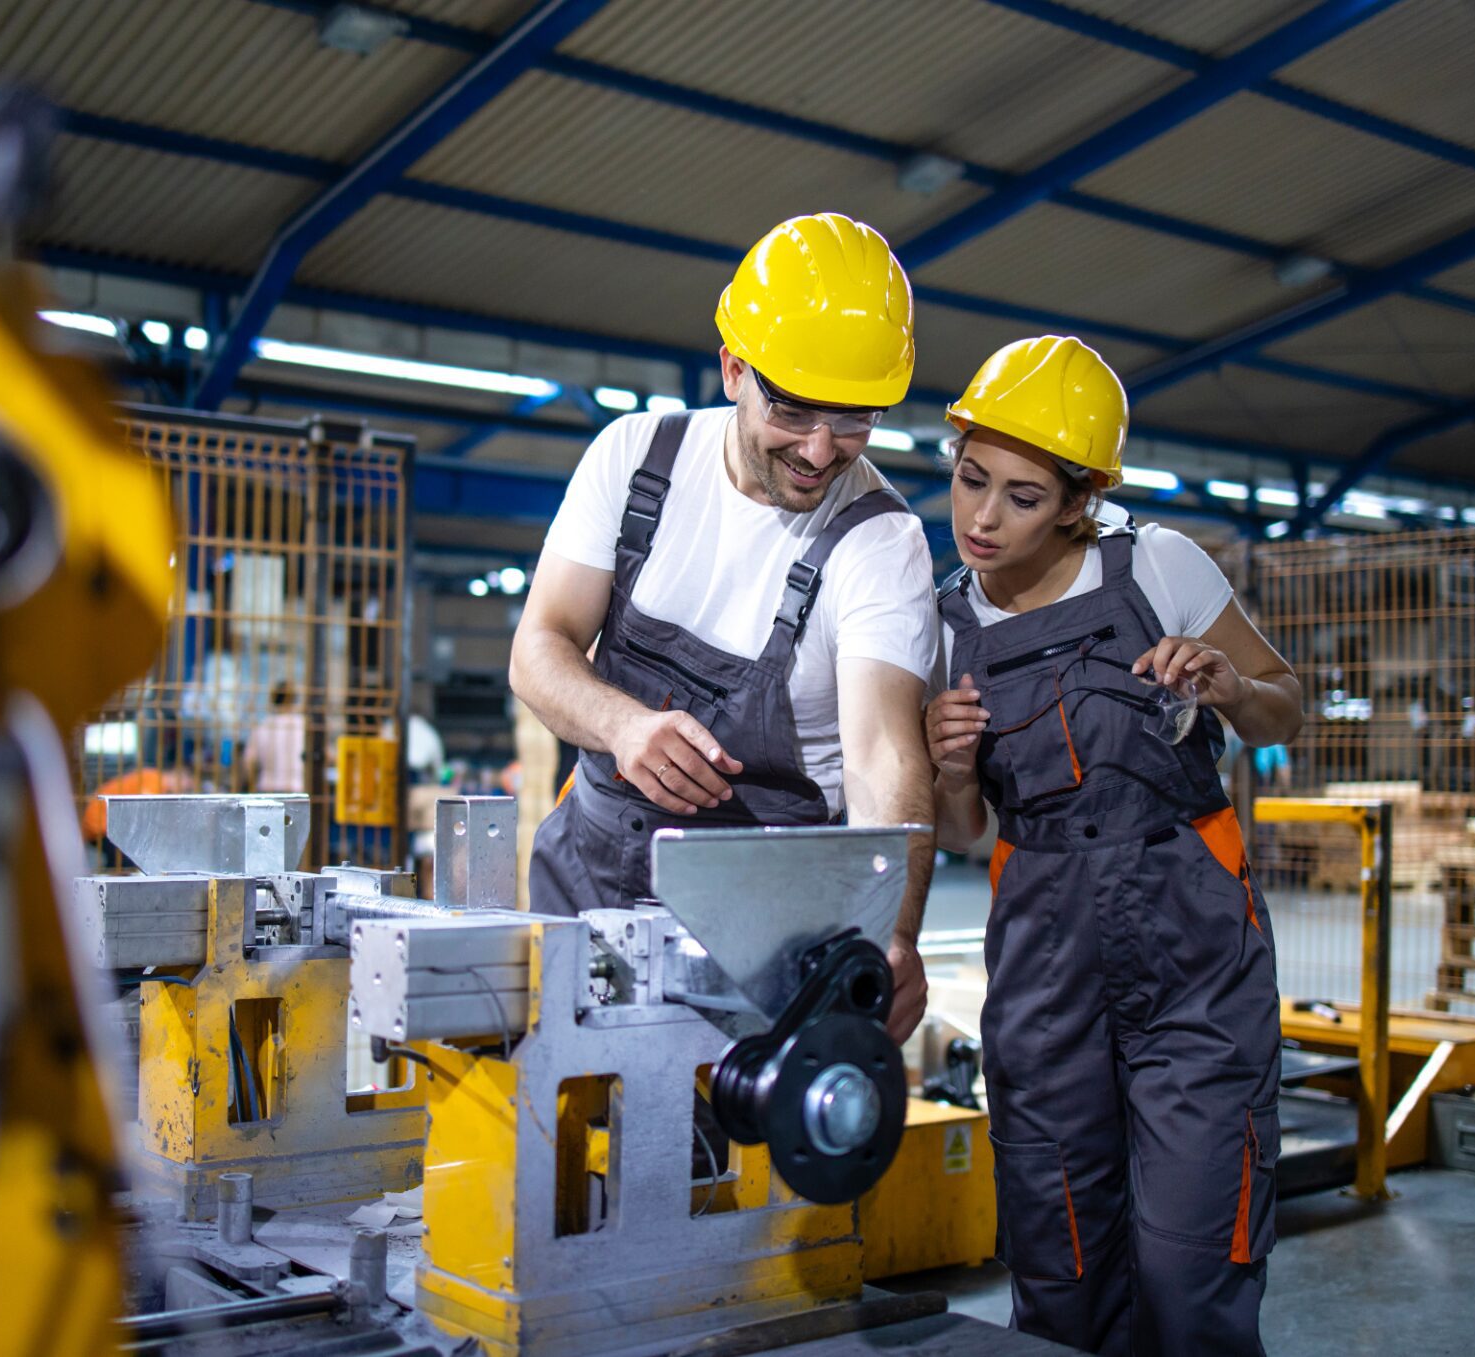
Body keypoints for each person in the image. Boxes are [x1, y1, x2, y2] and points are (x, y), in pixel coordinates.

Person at [922, 336, 1304, 1356]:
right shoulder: (942, 623)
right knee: (1061, 1264)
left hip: (1195, 954)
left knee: (1193, 1263)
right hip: (1046, 962)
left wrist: (1227, 683)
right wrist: (951, 768)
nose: (983, 519)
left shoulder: (1158, 566)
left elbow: (1286, 708)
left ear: (1082, 499)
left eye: (1022, 495)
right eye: (970, 482)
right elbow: (964, 833)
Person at [511, 212, 938, 1041]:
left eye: (854, 420)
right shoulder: (636, 457)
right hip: (586, 882)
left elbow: (885, 752)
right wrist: (621, 724)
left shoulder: (882, 542)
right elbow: (539, 647)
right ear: (734, 366)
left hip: (766, 928)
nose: (821, 450)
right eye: (794, 411)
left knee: (726, 1157)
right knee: (552, 1142)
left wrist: (895, 928)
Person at [243, 681, 307, 793]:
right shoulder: (303, 726)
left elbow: (249, 761)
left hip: (267, 788)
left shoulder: (262, 726)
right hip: (297, 788)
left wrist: (252, 787)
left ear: (273, 700)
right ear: (295, 700)